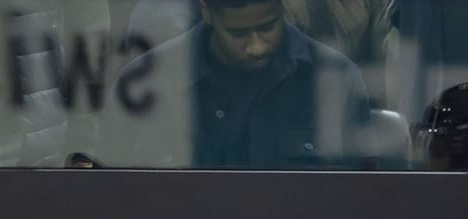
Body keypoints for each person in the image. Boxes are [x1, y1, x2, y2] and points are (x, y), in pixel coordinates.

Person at [98, 0, 371, 169]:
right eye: (238, 33)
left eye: (267, 27)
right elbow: (111, 199)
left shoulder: (335, 79)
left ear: (281, 6)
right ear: (206, 11)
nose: (255, 47)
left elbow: (356, 204)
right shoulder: (147, 82)